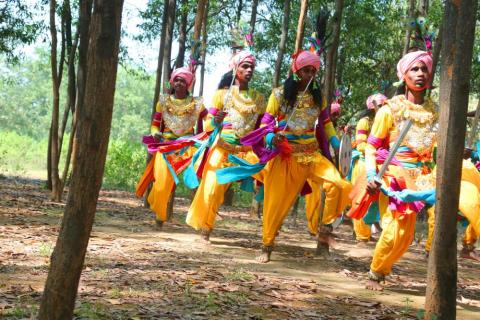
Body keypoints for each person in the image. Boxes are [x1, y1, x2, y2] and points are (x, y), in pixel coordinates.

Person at [248, 50, 352, 262]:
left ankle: (325, 229)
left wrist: (336, 143)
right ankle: (267, 245)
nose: (310, 75)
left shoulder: (318, 97)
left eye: (314, 71)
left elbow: (326, 124)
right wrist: (270, 138)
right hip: (285, 155)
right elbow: (266, 124)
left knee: (338, 185)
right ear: (297, 71)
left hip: (311, 154)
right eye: (306, 70)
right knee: (274, 205)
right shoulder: (278, 95)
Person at [359, 50, 438, 290]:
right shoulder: (388, 110)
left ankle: (382, 269)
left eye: (424, 69)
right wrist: (372, 176)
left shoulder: (438, 112)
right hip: (394, 175)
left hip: (424, 178)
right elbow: (371, 147)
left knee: (406, 238)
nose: (420, 74)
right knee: (394, 230)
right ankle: (375, 273)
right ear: (404, 75)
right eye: (414, 69)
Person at [185, 51, 266, 241]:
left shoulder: (259, 98)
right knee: (211, 188)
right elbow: (207, 126)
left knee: (273, 178)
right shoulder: (221, 95)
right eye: (244, 66)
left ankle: (270, 230)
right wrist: (215, 121)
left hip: (248, 153)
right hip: (223, 150)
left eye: (251, 67)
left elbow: (262, 128)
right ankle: (206, 228)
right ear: (235, 69)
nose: (249, 70)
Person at [136, 67, 207, 229]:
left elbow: (208, 120)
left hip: (189, 147)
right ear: (172, 82)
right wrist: (155, 134)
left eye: (183, 80)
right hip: (166, 146)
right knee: (161, 183)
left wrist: (215, 123)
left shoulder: (197, 103)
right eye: (177, 79)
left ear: (189, 83)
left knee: (201, 176)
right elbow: (155, 126)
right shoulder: (163, 102)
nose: (179, 83)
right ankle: (160, 217)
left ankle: (200, 218)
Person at [351, 93, 387, 243]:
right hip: (364, 163)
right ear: (373, 107)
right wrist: (377, 151)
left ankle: (367, 231)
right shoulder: (364, 122)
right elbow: (361, 145)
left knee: (377, 200)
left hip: (381, 164)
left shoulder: (385, 120)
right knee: (362, 198)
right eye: (380, 105)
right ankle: (361, 236)